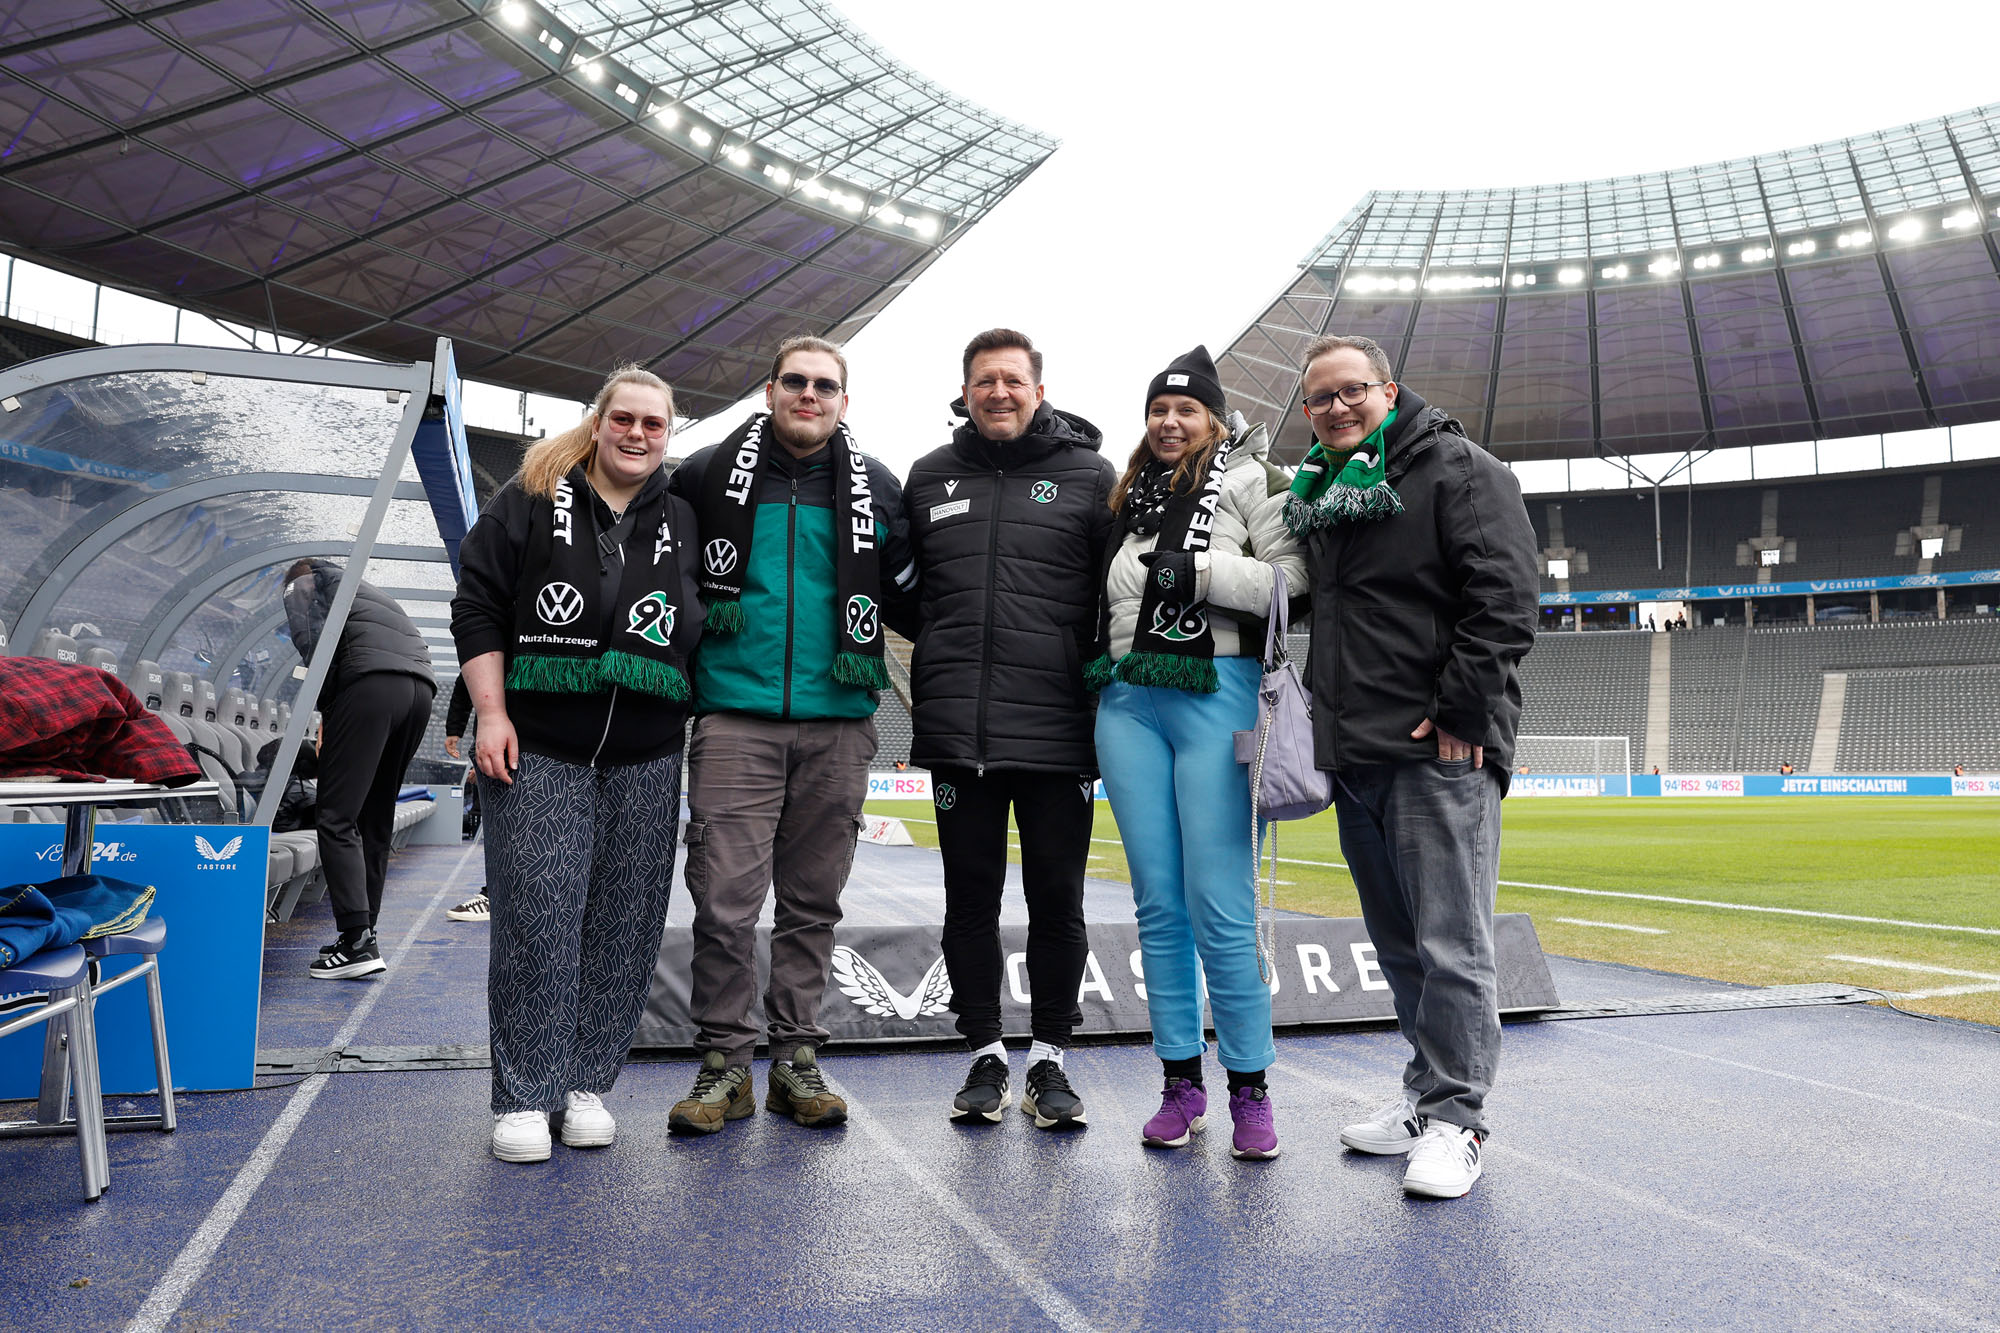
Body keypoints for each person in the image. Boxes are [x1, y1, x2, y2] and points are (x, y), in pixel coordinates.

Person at [1286, 334, 1537, 1199]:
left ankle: (1459, 1121)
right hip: (1358, 750)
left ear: (1388, 391)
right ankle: (1426, 1093)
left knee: (1451, 941)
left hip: (1441, 747)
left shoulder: (1460, 469)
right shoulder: (1320, 493)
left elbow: (1504, 596)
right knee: (1400, 945)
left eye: (1352, 391)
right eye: (1320, 399)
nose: (1337, 408)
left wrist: (1466, 713)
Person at [662, 335, 916, 1135]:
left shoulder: (877, 483)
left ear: (845, 401)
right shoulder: (706, 472)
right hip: (735, 714)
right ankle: (726, 1063)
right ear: (770, 389)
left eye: (826, 386)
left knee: (813, 905)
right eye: (796, 382)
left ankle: (797, 1058)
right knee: (725, 903)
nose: (811, 395)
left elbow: (916, 598)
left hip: (840, 718)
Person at [452, 364, 704, 1164]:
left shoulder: (685, 518)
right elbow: (479, 603)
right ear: (599, 424)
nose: (636, 434)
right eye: (623, 419)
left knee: (626, 923)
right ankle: (525, 1094)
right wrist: (490, 712)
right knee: (537, 916)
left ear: (668, 436)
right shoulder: (529, 496)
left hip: (649, 750)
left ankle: (588, 1082)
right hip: (542, 741)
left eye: (653, 425)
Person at [1092, 346, 1305, 1161]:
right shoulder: (1128, 494)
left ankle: (1249, 1084)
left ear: (1214, 419)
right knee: (1158, 905)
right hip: (1126, 702)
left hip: (1216, 690)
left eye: (1186, 410)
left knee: (1220, 903)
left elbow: (1295, 583)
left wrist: (1205, 569)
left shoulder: (1253, 481)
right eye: (1158, 410)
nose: (1169, 421)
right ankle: (1181, 1082)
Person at [903, 328, 1116, 1130]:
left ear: (1037, 389)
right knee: (970, 899)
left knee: (1058, 898)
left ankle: (1051, 1056)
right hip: (960, 729)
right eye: (984, 380)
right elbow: (904, 591)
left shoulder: (1091, 477)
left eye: (1012, 380)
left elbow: (1111, 597)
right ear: (965, 390)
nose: (998, 392)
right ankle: (985, 1052)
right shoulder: (929, 475)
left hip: (1060, 729)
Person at [284, 556, 437, 980]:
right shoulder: (367, 591)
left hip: (370, 686)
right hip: (419, 691)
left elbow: (313, 645)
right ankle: (363, 934)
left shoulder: (305, 583)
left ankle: (355, 941)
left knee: (335, 815)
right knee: (374, 816)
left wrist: (326, 715)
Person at [442, 675, 488, 922]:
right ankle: (495, 893)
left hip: (527, 740)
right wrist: (454, 729)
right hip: (493, 742)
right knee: (498, 827)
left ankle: (496, 895)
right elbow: (467, 679)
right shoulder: (492, 642)